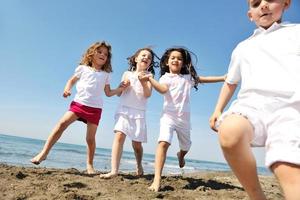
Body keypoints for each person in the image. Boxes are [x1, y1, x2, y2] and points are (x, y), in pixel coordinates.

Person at [209, 0, 300, 199]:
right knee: (230, 132)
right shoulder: (243, 47)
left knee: (285, 165)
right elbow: (231, 81)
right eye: (256, 3)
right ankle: (256, 195)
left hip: (290, 108)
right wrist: (217, 110)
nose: (264, 5)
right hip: (251, 107)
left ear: (286, 3)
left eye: (270, 0)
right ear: (250, 15)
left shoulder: (296, 32)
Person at [31, 41, 126, 174]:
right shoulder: (82, 68)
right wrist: (67, 90)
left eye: (105, 54)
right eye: (99, 52)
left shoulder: (106, 75)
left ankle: (89, 165)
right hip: (79, 104)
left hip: (95, 108)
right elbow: (71, 81)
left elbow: (108, 93)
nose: (103, 55)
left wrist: (120, 89)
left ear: (107, 59)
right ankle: (44, 153)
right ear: (91, 54)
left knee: (90, 139)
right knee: (61, 124)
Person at [145, 47, 225, 192]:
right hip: (168, 117)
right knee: (163, 143)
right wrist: (150, 78)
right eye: (173, 58)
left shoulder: (187, 79)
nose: (176, 60)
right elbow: (163, 90)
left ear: (183, 63)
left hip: (184, 121)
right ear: (167, 62)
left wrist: (223, 78)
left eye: (179, 58)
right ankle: (157, 180)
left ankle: (180, 156)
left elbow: (203, 79)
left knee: (186, 147)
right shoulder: (165, 78)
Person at [100, 47, 158, 179]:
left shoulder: (149, 76)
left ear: (150, 63)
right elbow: (119, 94)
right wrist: (122, 87)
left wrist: (143, 82)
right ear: (136, 58)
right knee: (119, 136)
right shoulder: (127, 74)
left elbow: (148, 94)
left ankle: (138, 165)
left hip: (139, 112)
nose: (146, 58)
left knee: (137, 144)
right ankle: (114, 170)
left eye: (149, 58)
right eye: (143, 55)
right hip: (124, 109)